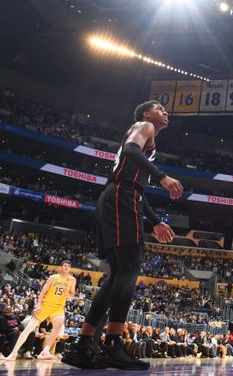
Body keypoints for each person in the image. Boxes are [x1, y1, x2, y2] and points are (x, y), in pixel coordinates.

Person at [62, 101, 182, 370]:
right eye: (159, 107)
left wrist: (154, 222)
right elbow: (129, 151)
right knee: (128, 269)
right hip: (120, 197)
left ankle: (84, 346)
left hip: (122, 197)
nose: (165, 112)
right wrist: (162, 177)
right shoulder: (144, 126)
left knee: (118, 274)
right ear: (145, 114)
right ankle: (111, 344)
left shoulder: (147, 137)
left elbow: (136, 187)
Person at [6, 261, 76, 361]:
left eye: (69, 266)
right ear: (61, 267)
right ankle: (13, 353)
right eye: (65, 265)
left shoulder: (72, 280)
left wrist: (67, 294)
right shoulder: (53, 277)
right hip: (46, 305)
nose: (67, 267)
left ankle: (45, 351)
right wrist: (38, 305)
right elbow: (43, 292)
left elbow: (72, 295)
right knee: (29, 329)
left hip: (58, 307)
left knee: (59, 324)